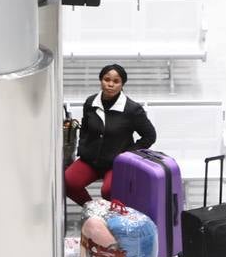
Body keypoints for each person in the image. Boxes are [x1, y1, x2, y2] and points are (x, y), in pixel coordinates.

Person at [64, 64, 157, 206]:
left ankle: (111, 218)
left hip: (116, 164)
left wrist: (127, 154)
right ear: (101, 80)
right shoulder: (90, 102)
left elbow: (150, 136)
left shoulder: (132, 109)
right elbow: (85, 129)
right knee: (68, 182)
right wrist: (83, 148)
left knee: (109, 191)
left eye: (116, 81)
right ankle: (93, 210)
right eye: (106, 79)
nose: (110, 84)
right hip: (90, 160)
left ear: (122, 84)